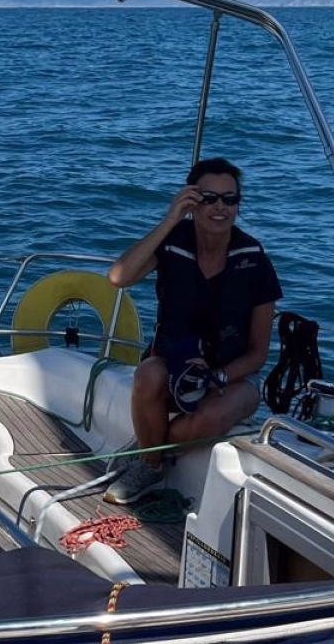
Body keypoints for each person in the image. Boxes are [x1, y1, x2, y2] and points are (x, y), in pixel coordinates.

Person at [103, 156, 281, 504]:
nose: (219, 207)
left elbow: (258, 353)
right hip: (173, 370)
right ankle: (151, 466)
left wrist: (217, 377)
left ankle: (147, 446)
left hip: (233, 378)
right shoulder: (173, 243)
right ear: (192, 202)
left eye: (229, 199)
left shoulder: (254, 260)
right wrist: (171, 219)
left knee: (209, 420)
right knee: (147, 375)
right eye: (208, 198)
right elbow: (118, 277)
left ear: (238, 204)